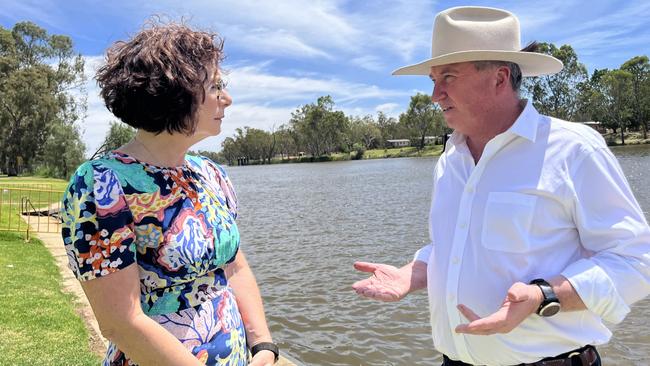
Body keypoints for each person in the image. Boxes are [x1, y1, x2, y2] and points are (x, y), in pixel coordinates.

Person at [353, 6, 650, 366]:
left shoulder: (573, 149)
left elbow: (635, 262)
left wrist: (544, 296)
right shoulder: (451, 158)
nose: (435, 94)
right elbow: (452, 247)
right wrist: (410, 274)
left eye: (448, 77)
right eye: (433, 79)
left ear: (499, 77)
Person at [61, 21, 279, 366]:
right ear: (175, 92)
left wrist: (263, 344)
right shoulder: (101, 184)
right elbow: (121, 321)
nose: (228, 98)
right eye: (215, 86)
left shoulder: (211, 174)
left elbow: (234, 267)